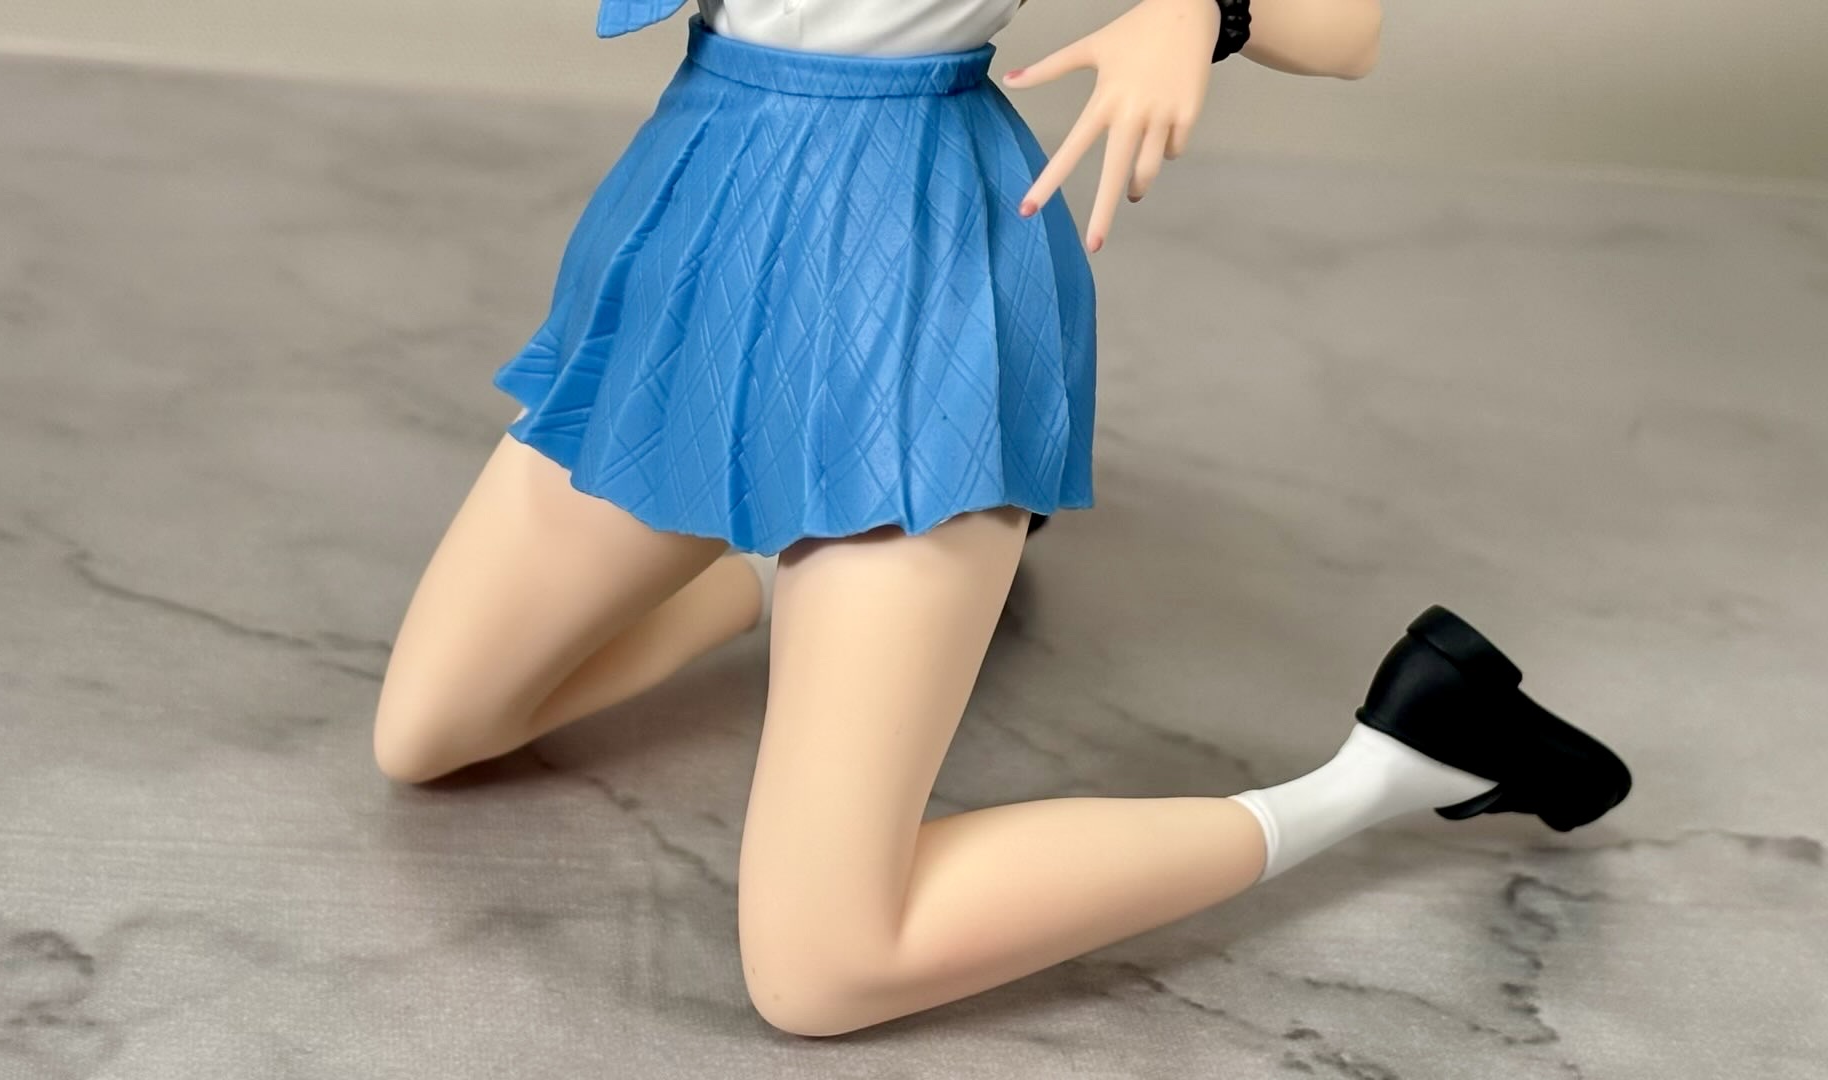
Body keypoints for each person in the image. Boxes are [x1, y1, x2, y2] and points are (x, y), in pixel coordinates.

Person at [371, 0, 1631, 1037]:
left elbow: (1345, 27)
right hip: (703, 219)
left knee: (823, 967)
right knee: (432, 731)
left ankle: (1398, 765)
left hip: (912, 284)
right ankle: (787, 573)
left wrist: (1208, 10)